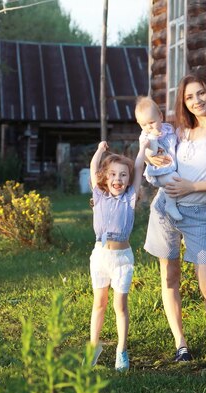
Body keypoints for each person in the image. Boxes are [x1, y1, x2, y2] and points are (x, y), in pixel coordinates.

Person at [144, 73, 206, 362]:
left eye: (200, 93)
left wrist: (193, 186)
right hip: (165, 210)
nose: (196, 100)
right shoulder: (179, 132)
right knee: (170, 276)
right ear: (183, 102)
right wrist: (150, 157)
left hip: (199, 214)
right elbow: (151, 143)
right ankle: (181, 343)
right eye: (189, 97)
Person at [89, 139, 147, 371]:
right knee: (99, 303)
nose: (118, 179)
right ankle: (93, 347)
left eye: (123, 175)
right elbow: (94, 168)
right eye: (113, 174)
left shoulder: (130, 198)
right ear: (105, 178)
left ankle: (121, 350)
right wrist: (99, 150)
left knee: (120, 305)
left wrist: (142, 149)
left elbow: (140, 168)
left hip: (122, 259)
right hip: (100, 257)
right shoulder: (100, 196)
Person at [135, 96, 183, 221]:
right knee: (174, 179)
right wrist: (153, 139)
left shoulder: (168, 129)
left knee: (174, 178)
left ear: (161, 117)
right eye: (144, 124)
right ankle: (170, 206)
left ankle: (172, 202)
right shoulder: (146, 137)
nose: (149, 127)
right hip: (158, 171)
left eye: (151, 122)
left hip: (170, 167)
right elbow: (151, 153)